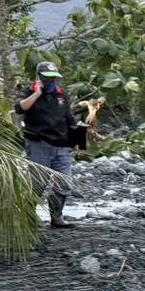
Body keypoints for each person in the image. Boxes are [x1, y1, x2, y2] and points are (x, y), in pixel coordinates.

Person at [18, 60, 86, 228]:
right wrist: (36, 94)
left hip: (61, 146)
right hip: (38, 144)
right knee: (37, 182)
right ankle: (28, 217)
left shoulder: (62, 94)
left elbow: (69, 119)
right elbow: (20, 108)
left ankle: (57, 217)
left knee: (64, 182)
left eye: (54, 77)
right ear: (39, 77)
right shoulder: (28, 91)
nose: (51, 81)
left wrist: (80, 142)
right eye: (47, 78)